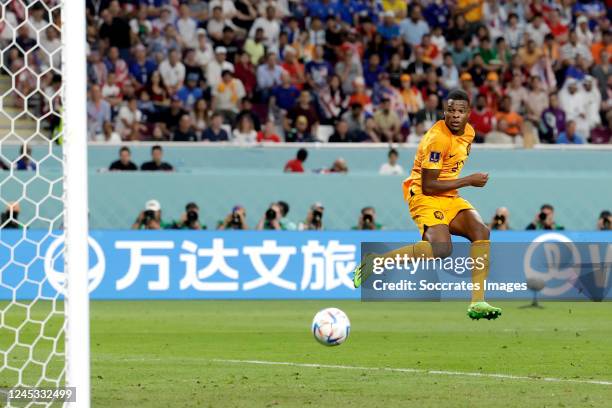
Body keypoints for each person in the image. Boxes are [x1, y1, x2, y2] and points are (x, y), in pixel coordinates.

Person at [353, 89, 501, 320]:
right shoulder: (436, 140)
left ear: (468, 113)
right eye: (450, 110)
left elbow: (452, 166)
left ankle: (478, 302)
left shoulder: (469, 134)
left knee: (481, 231)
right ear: (444, 111)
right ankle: (378, 261)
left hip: (448, 194)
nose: (455, 115)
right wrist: (469, 181)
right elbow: (430, 185)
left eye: (460, 111)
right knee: (442, 249)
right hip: (423, 193)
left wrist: (459, 184)